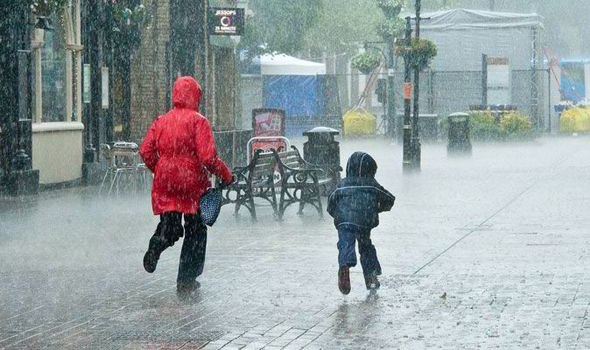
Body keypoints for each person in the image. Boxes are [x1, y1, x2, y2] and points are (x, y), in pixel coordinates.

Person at [139, 76, 233, 298]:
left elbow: (146, 151)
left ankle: (157, 244)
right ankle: (186, 280)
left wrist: (160, 169)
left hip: (166, 181)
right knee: (195, 231)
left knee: (170, 224)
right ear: (196, 96)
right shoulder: (198, 121)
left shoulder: (161, 121)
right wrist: (225, 175)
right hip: (192, 184)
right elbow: (208, 157)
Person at [327, 151, 395, 295]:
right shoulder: (372, 184)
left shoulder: (342, 184)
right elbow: (389, 199)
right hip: (364, 220)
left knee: (345, 243)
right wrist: (377, 208)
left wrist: (338, 214)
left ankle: (344, 266)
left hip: (344, 220)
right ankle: (371, 276)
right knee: (365, 246)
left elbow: (331, 202)